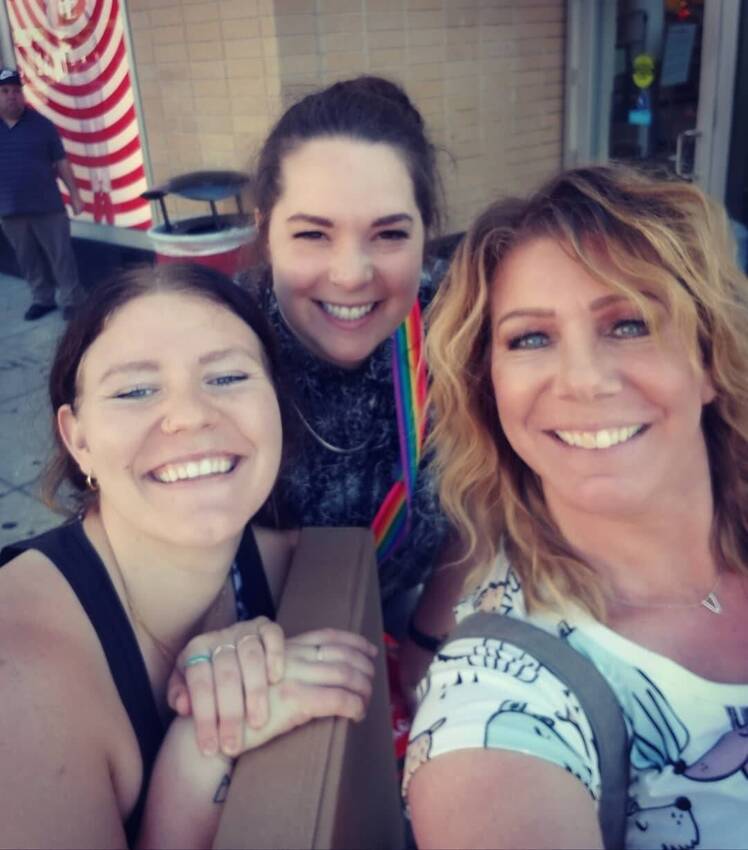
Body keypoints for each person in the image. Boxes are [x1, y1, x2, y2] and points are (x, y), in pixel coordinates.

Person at [404, 166, 748, 849]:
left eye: (629, 323)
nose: (585, 380)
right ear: (490, 393)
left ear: (709, 361)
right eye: (530, 338)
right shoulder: (499, 695)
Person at [0, 263, 376, 848]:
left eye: (227, 377)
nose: (192, 414)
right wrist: (195, 756)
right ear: (78, 439)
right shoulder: (18, 687)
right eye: (135, 390)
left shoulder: (294, 562)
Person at [247, 75, 464, 699]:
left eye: (390, 234)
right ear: (266, 230)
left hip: (416, 611)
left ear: (426, 231)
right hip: (257, 643)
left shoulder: (462, 325)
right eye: (313, 234)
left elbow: (486, 498)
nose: (351, 274)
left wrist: (427, 636)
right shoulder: (213, 349)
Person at [0, 67, 83, 321]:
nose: (12, 96)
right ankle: (42, 298)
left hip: (47, 206)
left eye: (16, 90)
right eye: (5, 91)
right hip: (9, 209)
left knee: (61, 256)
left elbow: (61, 162)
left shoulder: (42, 125)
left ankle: (71, 300)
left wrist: (76, 196)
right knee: (28, 259)